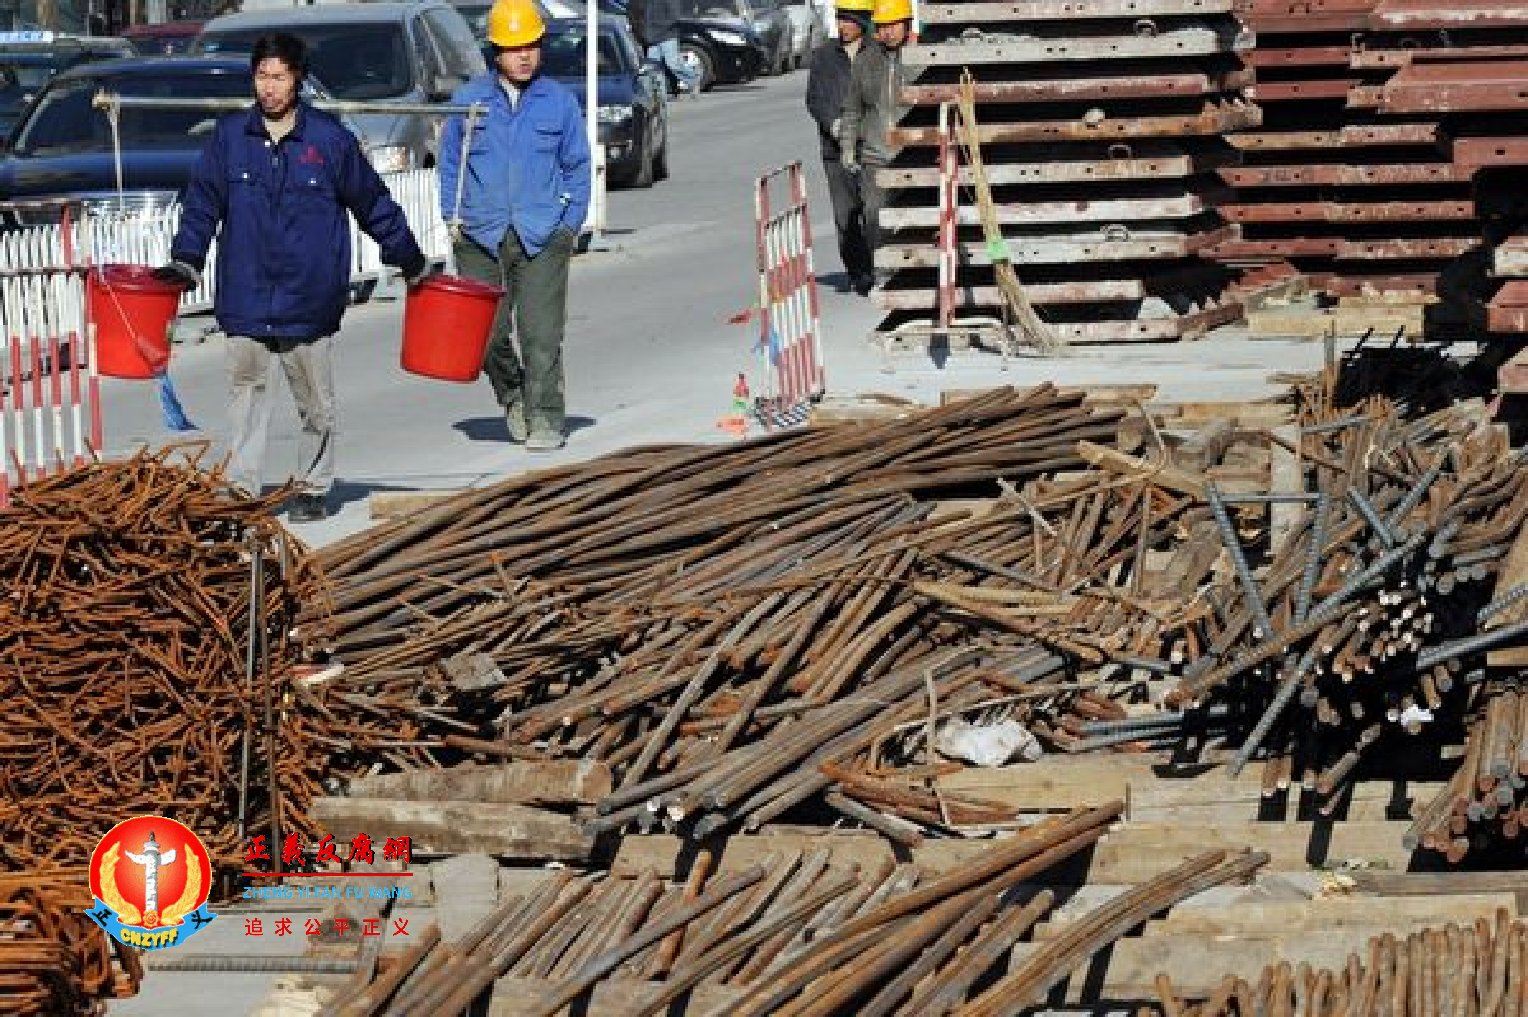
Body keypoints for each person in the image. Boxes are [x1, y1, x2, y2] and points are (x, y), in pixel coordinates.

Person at [156, 32, 429, 523]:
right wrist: (187, 259)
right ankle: (240, 489)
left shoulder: (328, 142)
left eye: (278, 77)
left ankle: (312, 486)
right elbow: (201, 205)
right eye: (262, 76)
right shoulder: (231, 139)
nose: (269, 88)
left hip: (310, 295)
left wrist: (408, 257)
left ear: (297, 79)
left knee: (315, 404)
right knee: (246, 397)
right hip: (245, 293)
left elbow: (373, 202)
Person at [439, 0, 591, 452]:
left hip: (542, 233)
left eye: (531, 45)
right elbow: (451, 165)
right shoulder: (470, 104)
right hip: (479, 234)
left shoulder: (559, 103)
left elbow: (577, 167)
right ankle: (512, 394)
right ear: (495, 52)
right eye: (513, 47)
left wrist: (568, 224)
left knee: (541, 333)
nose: (524, 55)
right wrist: (453, 218)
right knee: (484, 335)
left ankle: (546, 415)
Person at [804, 0, 875, 296]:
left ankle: (877, 266)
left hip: (871, 148)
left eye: (847, 19)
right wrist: (832, 124)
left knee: (874, 210)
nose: (842, 26)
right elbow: (814, 98)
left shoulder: (877, 54)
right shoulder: (824, 57)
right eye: (838, 19)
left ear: (861, 21)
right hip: (835, 151)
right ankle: (858, 271)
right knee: (845, 214)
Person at [839, 0, 913, 281]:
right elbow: (853, 109)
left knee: (913, 217)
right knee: (874, 215)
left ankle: (914, 270)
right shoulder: (865, 61)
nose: (888, 32)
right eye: (882, 27)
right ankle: (882, 271)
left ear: (907, 24)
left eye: (893, 25)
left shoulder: (922, 59)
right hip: (876, 156)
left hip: (914, 156)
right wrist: (848, 147)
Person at [642, 0, 700, 97]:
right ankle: (654, 93)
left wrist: (657, 26)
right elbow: (648, 18)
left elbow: (675, 17)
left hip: (667, 36)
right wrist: (646, 33)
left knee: (673, 64)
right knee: (651, 67)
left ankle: (693, 80)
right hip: (652, 38)